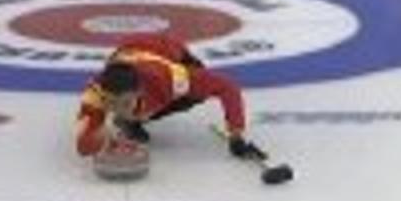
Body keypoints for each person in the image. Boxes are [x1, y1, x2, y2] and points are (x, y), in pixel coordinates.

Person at [75, 32, 262, 159]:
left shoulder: (172, 79)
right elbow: (83, 147)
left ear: (139, 92)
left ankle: (139, 116)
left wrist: (236, 133)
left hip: (167, 48)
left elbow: (228, 87)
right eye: (111, 104)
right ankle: (134, 117)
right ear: (103, 96)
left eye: (124, 104)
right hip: (131, 49)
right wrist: (97, 135)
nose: (118, 111)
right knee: (122, 112)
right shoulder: (95, 94)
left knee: (194, 95)